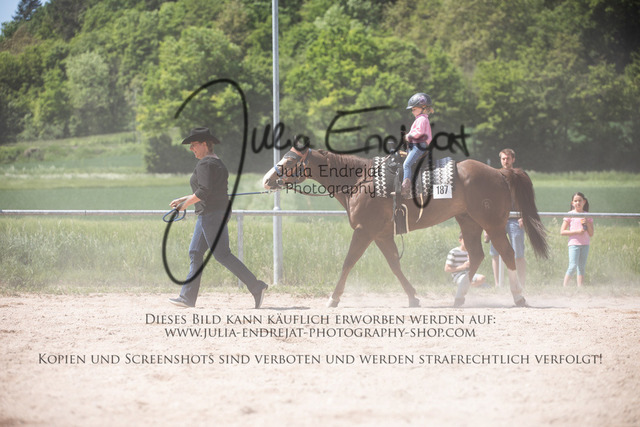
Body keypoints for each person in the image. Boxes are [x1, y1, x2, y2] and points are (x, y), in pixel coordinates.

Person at [168, 127, 268, 308]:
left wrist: (185, 205)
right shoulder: (216, 162)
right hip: (212, 213)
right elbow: (209, 191)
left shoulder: (205, 164)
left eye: (194, 145)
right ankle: (187, 298)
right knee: (195, 252)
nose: (191, 148)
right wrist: (184, 199)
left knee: (222, 254)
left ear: (204, 144)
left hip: (211, 214)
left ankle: (256, 286)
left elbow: (204, 191)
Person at [486, 148, 526, 287]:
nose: (505, 161)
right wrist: (487, 223)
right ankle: (498, 284)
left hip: (515, 218)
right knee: (495, 252)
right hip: (497, 219)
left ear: (513, 159)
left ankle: (521, 283)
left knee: (518, 253)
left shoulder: (519, 176)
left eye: (508, 158)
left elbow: (525, 198)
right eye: (503, 158)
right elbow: (489, 199)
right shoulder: (495, 175)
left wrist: (523, 216)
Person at [402, 93, 433, 196]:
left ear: (422, 107)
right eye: (412, 109)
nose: (412, 111)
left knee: (406, 164)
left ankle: (405, 188)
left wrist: (408, 136)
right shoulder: (420, 119)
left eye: (414, 109)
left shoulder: (422, 119)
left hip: (418, 146)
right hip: (416, 145)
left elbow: (418, 133)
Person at [560, 192, 594, 287]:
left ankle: (580, 287)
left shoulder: (588, 215)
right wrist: (577, 232)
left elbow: (591, 233)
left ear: (584, 202)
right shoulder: (570, 214)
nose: (578, 203)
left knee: (581, 267)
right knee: (573, 266)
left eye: (580, 200)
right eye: (575, 201)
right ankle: (565, 287)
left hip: (585, 244)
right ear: (572, 203)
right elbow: (562, 231)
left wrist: (587, 223)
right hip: (574, 244)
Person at [445, 233, 487, 303]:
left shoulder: (470, 252)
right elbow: (447, 269)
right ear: (460, 240)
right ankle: (470, 287)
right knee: (475, 282)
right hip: (458, 275)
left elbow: (474, 266)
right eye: (465, 240)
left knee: (482, 278)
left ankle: (468, 286)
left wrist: (472, 261)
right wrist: (462, 267)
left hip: (469, 274)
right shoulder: (453, 252)